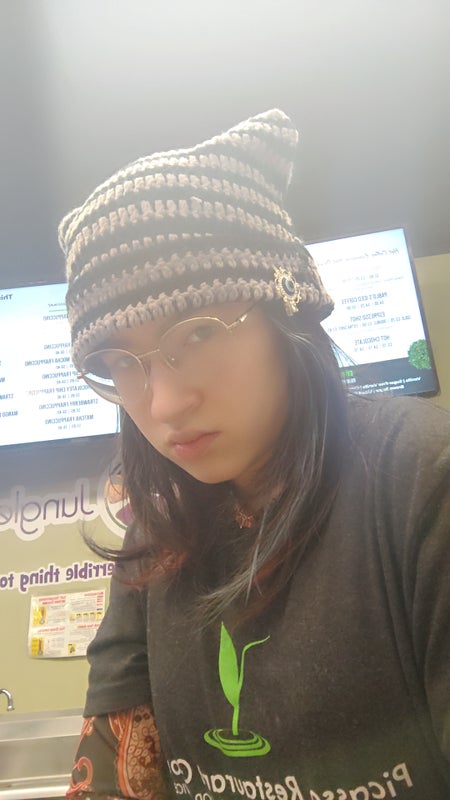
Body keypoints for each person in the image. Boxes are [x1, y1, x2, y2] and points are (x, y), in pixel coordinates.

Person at [58, 109, 450, 800]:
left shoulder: (424, 484)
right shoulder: (158, 538)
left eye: (199, 331)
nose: (164, 403)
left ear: (286, 309)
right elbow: (113, 773)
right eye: (120, 362)